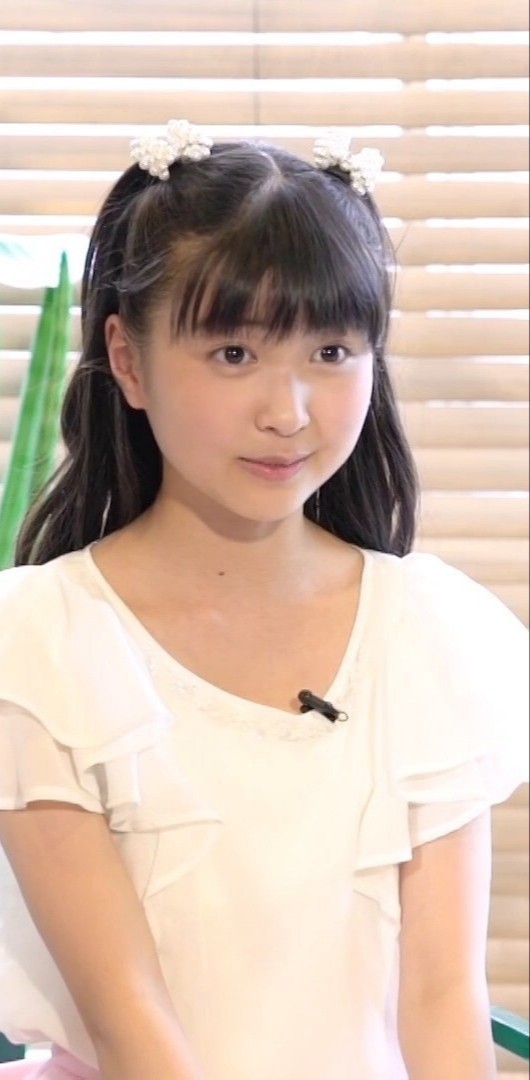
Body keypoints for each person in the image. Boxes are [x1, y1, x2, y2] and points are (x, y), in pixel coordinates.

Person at [0, 120, 527, 1080]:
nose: (289, 413)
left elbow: (443, 1002)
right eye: (234, 354)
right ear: (127, 360)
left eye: (332, 351)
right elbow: (130, 1021)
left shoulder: (429, 632)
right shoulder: (41, 641)